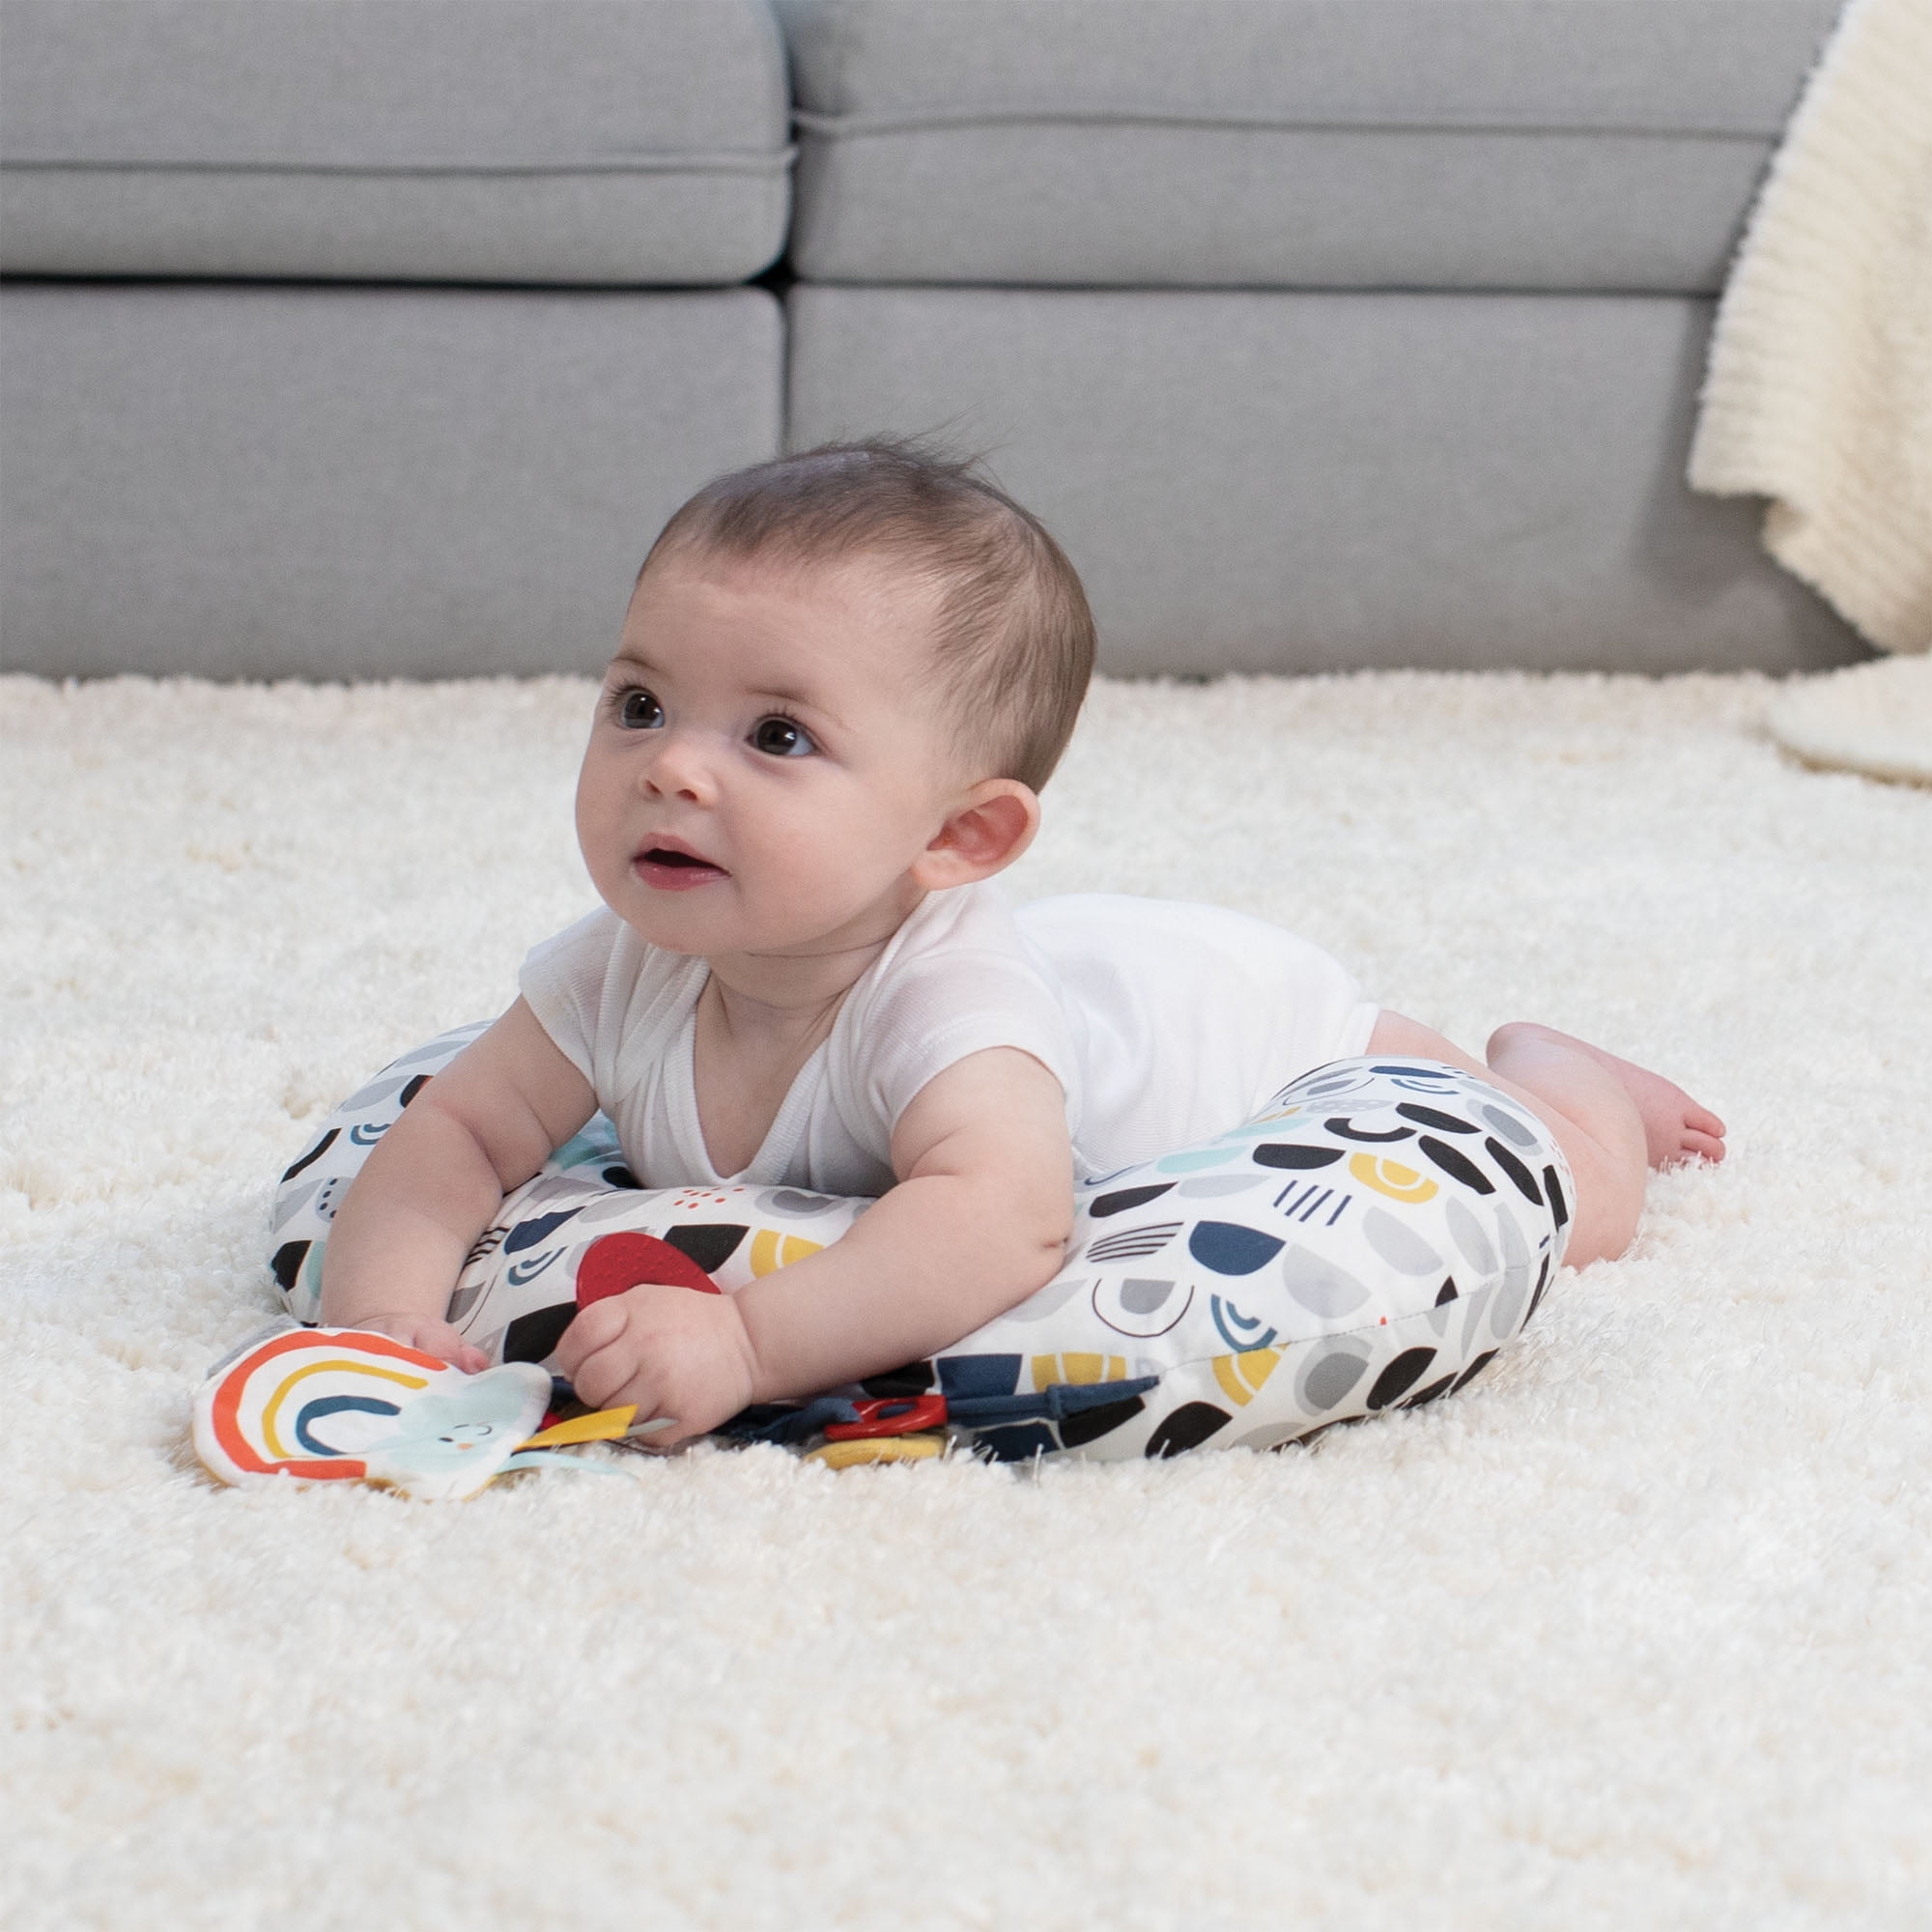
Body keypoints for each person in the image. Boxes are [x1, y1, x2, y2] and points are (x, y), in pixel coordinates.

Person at [319, 440, 1725, 1443]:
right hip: (1103, 960)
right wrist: (380, 1323)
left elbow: (1004, 1216)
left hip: (1244, 1030)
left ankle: (1569, 1074)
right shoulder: (615, 961)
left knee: (1576, 1206)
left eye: (779, 735)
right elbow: (460, 1139)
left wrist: (749, 1340)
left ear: (959, 840)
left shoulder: (951, 1006)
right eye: (639, 705)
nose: (673, 771)